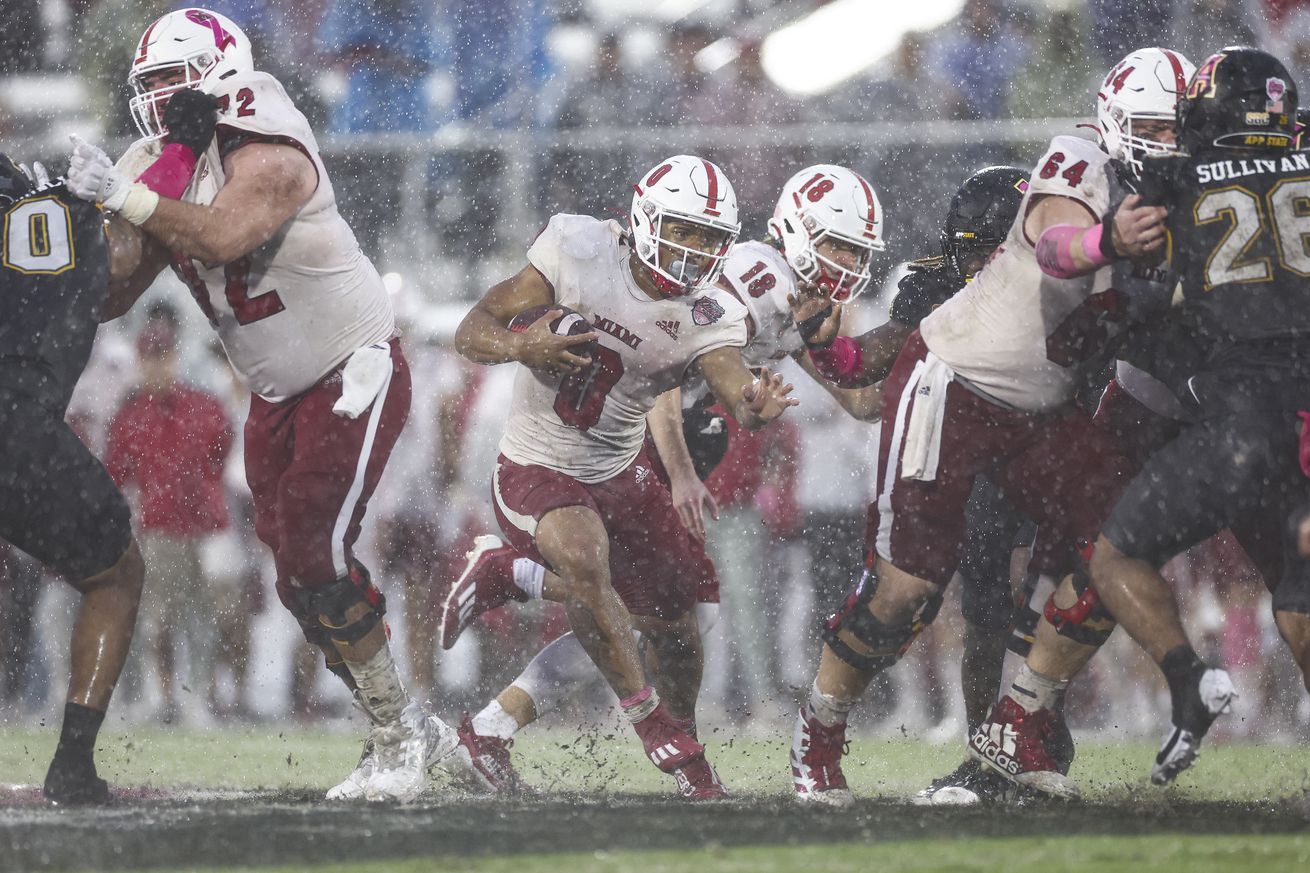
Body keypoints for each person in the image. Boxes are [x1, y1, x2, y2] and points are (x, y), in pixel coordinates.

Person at [63, 8, 466, 802]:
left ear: (220, 73)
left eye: (175, 80)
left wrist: (127, 196)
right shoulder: (159, 160)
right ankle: (406, 724)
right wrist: (84, 222)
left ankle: (398, 736)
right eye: (150, 84)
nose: (160, 98)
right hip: (275, 394)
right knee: (297, 583)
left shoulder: (267, 124)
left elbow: (224, 236)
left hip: (351, 369)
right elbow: (112, 292)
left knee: (316, 551)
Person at [787, 47, 1191, 806]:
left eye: (1177, 127)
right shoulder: (1079, 162)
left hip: (1045, 411)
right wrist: (822, 348)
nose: (1166, 143)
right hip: (960, 389)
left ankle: (1018, 722)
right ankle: (820, 729)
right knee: (907, 592)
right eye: (1151, 126)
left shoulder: (1191, 199)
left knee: (1121, 546)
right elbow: (1055, 243)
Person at [442, 164, 886, 790]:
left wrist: (926, 336)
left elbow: (862, 399)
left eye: (857, 252)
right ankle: (530, 615)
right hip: (647, 435)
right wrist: (679, 471)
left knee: (661, 614)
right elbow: (664, 358)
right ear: (798, 229)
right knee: (641, 606)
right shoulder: (753, 283)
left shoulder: (800, 300)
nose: (847, 263)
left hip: (685, 432)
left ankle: (496, 715)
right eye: (838, 245)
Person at [1027, 46, 1310, 785]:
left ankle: (1186, 676)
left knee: (1113, 554)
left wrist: (1106, 243)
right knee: (1298, 590)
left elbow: (1054, 253)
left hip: (1240, 416)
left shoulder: (1176, 176)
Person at [0, 156, 147, 804]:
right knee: (115, 574)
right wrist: (111, 202)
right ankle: (72, 764)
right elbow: (124, 265)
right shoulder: (59, 206)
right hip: (15, 425)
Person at [106, 306, 233, 724]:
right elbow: (116, 475)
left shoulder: (202, 405)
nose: (156, 365)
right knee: (156, 619)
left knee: (203, 617)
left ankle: (198, 698)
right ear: (140, 360)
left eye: (162, 356)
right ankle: (160, 697)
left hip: (205, 528)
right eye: (150, 356)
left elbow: (222, 455)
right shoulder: (130, 415)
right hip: (157, 529)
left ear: (174, 357)